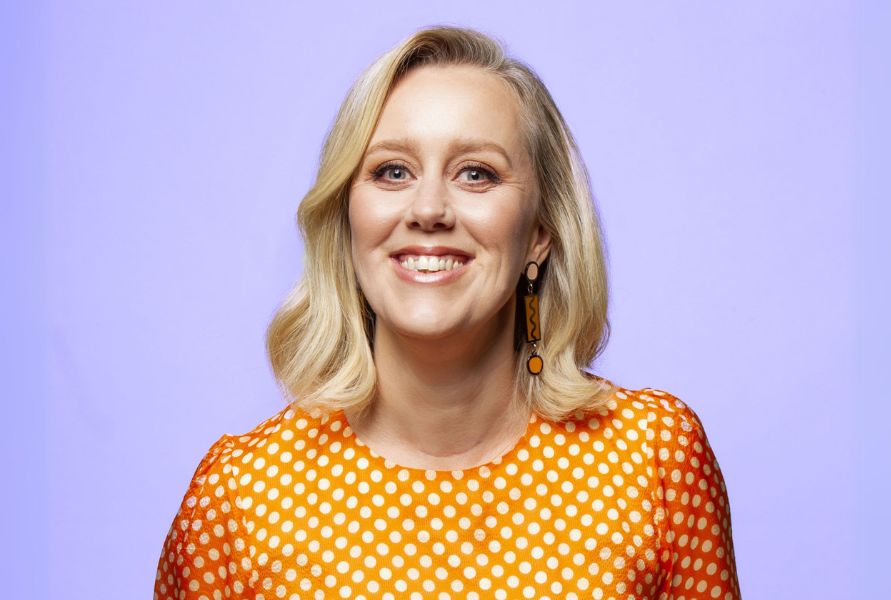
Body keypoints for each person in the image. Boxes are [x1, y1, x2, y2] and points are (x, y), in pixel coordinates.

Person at [154, 25, 740, 600]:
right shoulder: (239, 497)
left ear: (540, 231)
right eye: (392, 171)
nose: (429, 208)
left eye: (476, 173)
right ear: (347, 217)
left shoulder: (654, 459)